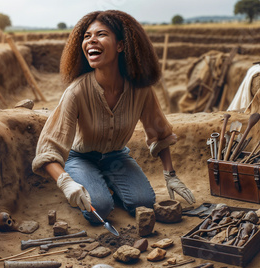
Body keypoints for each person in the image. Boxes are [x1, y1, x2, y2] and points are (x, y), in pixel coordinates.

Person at [32, 10, 195, 224]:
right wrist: (65, 183)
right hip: (81, 158)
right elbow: (48, 149)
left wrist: (170, 175)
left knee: (143, 202)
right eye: (87, 36)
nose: (91, 40)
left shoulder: (141, 90)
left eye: (100, 34)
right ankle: (91, 183)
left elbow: (159, 133)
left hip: (117, 157)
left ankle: (103, 182)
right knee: (99, 208)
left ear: (120, 45)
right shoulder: (77, 91)